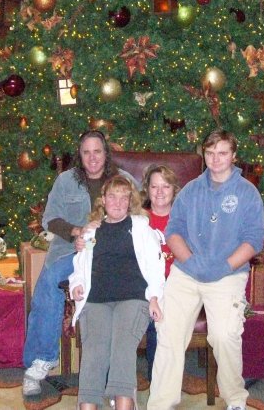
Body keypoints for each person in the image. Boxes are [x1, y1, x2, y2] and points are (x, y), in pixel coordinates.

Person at [147, 129, 264, 410]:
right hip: (186, 272)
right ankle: (160, 403)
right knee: (168, 332)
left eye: (222, 153)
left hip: (228, 275)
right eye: (210, 153)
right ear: (204, 154)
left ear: (233, 156)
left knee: (224, 335)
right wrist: (189, 261)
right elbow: (173, 231)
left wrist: (223, 266)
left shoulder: (247, 193)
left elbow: (254, 240)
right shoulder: (190, 190)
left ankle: (236, 400)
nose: (215, 159)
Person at [22, 130, 136, 397]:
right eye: (86, 152)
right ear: (80, 155)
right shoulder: (65, 181)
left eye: (97, 151)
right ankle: (39, 363)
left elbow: (139, 212)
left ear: (106, 153)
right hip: (70, 251)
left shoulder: (123, 179)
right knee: (49, 282)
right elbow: (50, 219)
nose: (92, 158)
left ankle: (114, 374)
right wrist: (78, 232)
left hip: (111, 254)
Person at [69, 175, 165, 410]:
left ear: (130, 201)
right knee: (94, 351)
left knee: (122, 348)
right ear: (103, 200)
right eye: (112, 196)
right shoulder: (92, 231)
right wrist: (76, 285)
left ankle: (124, 405)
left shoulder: (140, 226)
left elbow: (156, 265)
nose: (118, 202)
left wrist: (154, 297)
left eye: (124, 197)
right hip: (96, 299)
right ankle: (88, 406)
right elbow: (80, 266)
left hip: (132, 298)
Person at [140, 164, 180, 381]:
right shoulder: (139, 219)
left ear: (174, 189)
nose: (160, 192)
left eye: (165, 186)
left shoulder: (182, 218)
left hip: (176, 283)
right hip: (145, 283)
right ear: (147, 190)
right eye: (154, 187)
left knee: (161, 318)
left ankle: (160, 379)